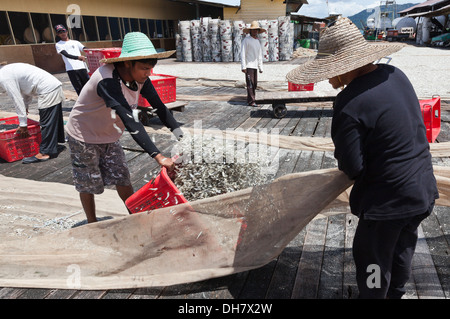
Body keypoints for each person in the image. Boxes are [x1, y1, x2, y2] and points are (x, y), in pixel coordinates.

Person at [286, 17, 439, 299]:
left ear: (343, 67)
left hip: (387, 200)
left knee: (372, 259)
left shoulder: (349, 104)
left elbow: (353, 167)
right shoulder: (396, 75)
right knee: (402, 247)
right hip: (423, 190)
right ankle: (395, 294)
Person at [65, 32, 182, 223]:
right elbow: (130, 120)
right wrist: (158, 156)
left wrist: (182, 137)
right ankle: (92, 222)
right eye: (144, 68)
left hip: (110, 135)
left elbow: (160, 108)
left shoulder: (141, 78)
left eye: (150, 68)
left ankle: (134, 216)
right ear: (128, 63)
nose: (148, 73)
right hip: (83, 135)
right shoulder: (107, 80)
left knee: (122, 178)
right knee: (88, 183)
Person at [0, 62, 66, 164]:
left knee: (46, 122)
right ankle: (54, 145)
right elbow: (25, 89)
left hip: (47, 90)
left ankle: (45, 153)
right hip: (52, 86)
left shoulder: (4, 77)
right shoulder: (7, 70)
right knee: (53, 119)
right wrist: (26, 107)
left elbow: (17, 99)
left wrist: (23, 124)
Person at [54, 24, 90, 95]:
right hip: (71, 70)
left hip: (82, 67)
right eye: (60, 32)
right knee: (79, 88)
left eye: (63, 31)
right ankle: (83, 104)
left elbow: (84, 48)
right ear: (58, 34)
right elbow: (66, 54)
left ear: (67, 32)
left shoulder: (75, 42)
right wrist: (78, 57)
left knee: (88, 86)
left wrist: (93, 51)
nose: (63, 33)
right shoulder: (58, 44)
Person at [241, 21, 264, 107]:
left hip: (255, 66)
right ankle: (252, 101)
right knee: (250, 83)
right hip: (248, 65)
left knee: (254, 84)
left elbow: (259, 55)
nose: (255, 32)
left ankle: (250, 98)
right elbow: (243, 53)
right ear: (250, 31)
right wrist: (243, 66)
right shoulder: (246, 40)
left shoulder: (257, 41)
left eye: (256, 30)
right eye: (253, 30)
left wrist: (260, 67)